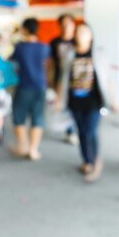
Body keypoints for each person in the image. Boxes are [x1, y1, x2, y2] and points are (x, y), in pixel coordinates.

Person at [67, 24, 116, 182]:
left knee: (91, 131)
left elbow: (107, 79)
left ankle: (95, 161)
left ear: (91, 36)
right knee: (81, 131)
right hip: (75, 100)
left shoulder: (99, 55)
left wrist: (113, 99)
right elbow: (63, 78)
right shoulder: (70, 54)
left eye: (84, 32)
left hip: (93, 100)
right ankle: (86, 160)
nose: (81, 35)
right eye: (78, 32)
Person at [10, 18, 50, 161]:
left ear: (25, 29)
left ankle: (23, 146)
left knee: (19, 116)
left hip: (24, 86)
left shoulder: (20, 47)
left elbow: (11, 62)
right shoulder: (45, 47)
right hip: (41, 86)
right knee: (38, 117)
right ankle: (33, 150)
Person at [50, 14, 79, 145]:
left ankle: (75, 129)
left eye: (69, 24)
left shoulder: (78, 41)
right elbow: (51, 62)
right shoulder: (54, 42)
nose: (66, 27)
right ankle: (70, 131)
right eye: (64, 24)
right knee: (65, 106)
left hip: (78, 80)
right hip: (60, 79)